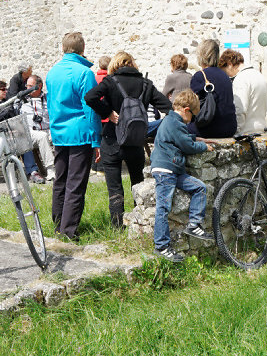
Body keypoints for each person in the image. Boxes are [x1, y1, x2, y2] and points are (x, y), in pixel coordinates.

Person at [85, 51, 172, 229]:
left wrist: (107, 113)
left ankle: (117, 227)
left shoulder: (110, 82)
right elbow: (168, 107)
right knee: (137, 182)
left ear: (115, 65)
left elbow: (90, 97)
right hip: (135, 141)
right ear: (132, 64)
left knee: (115, 187)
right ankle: (139, 222)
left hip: (112, 140)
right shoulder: (146, 84)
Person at [45, 32, 101, 242]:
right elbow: (91, 109)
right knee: (76, 183)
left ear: (63, 48)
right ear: (82, 49)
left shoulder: (52, 72)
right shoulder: (84, 73)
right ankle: (68, 230)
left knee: (60, 180)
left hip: (59, 132)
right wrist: (96, 140)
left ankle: (58, 222)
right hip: (80, 133)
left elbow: (50, 105)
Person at [150, 89, 214, 262]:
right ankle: (161, 246)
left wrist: (196, 138)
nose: (192, 120)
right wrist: (202, 147)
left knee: (199, 187)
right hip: (165, 171)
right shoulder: (174, 123)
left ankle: (194, 224)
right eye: (193, 115)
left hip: (173, 171)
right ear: (186, 110)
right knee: (163, 207)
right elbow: (187, 145)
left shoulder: (173, 121)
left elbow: (182, 137)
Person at [0, 78, 43, 184]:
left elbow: (15, 119)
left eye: (6, 89)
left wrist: (15, 129)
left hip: (11, 135)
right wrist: (4, 119)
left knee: (24, 139)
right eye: (3, 89)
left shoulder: (7, 103)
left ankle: (32, 171)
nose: (6, 91)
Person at [188, 39, 237, 138]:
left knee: (175, 129)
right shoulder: (225, 76)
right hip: (229, 128)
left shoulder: (200, 76)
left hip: (209, 128)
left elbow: (192, 106)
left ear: (201, 55)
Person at [219, 49, 267, 136]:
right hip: (261, 129)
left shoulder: (241, 79)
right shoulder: (259, 75)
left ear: (229, 64)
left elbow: (240, 109)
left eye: (225, 71)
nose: (227, 76)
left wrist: (235, 132)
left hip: (246, 133)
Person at [21, 74, 56, 181]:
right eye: (27, 86)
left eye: (30, 86)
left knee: (61, 134)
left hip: (49, 130)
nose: (27, 89)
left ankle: (66, 167)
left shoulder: (48, 99)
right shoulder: (21, 100)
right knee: (42, 136)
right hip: (31, 133)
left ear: (39, 86)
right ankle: (51, 170)